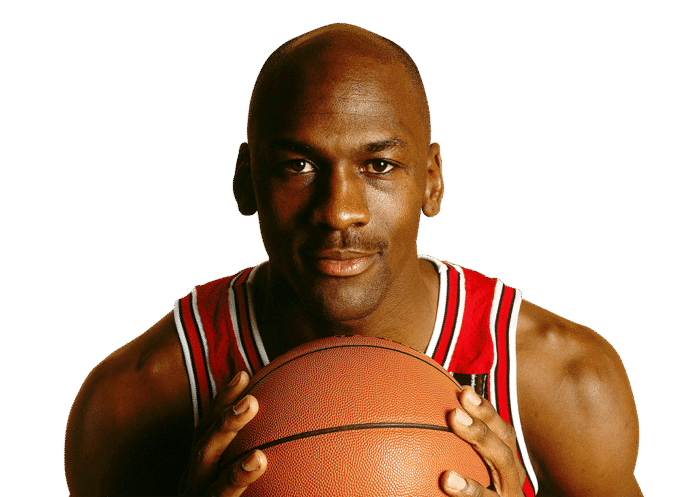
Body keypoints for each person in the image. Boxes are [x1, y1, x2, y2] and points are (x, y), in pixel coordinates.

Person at [64, 24, 642, 497]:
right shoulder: (135, 403)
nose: (339, 211)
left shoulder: (563, 385)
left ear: (433, 181)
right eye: (297, 165)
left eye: (379, 166)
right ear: (246, 182)